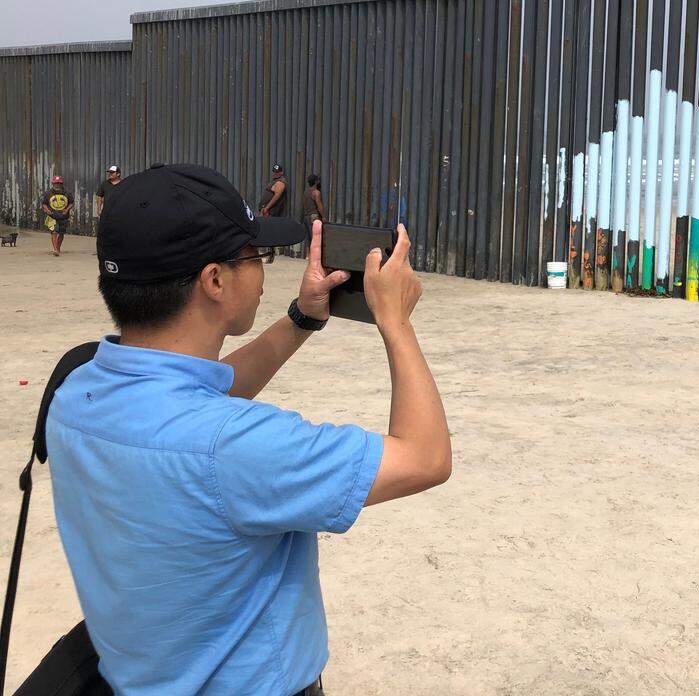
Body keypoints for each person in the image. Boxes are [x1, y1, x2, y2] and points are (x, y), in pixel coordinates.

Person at [46, 163, 451, 695]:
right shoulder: (236, 446)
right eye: (256, 257)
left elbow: (190, 401)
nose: (263, 271)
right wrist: (395, 320)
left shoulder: (76, 391)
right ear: (214, 279)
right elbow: (425, 458)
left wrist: (303, 317)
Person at [41, 174, 74, 257]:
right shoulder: (48, 193)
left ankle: (58, 248)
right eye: (55, 183)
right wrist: (47, 210)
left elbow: (71, 203)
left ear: (61, 184)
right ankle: (55, 249)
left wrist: (66, 210)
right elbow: (44, 204)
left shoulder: (67, 193)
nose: (57, 185)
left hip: (63, 216)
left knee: (61, 233)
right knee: (54, 232)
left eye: (58, 183)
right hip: (52, 216)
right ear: (53, 184)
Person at [303, 173, 326, 238]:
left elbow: (304, 203)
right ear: (316, 182)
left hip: (306, 216)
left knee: (308, 240)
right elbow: (319, 206)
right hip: (314, 217)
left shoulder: (306, 191)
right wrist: (323, 216)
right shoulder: (316, 192)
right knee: (315, 239)